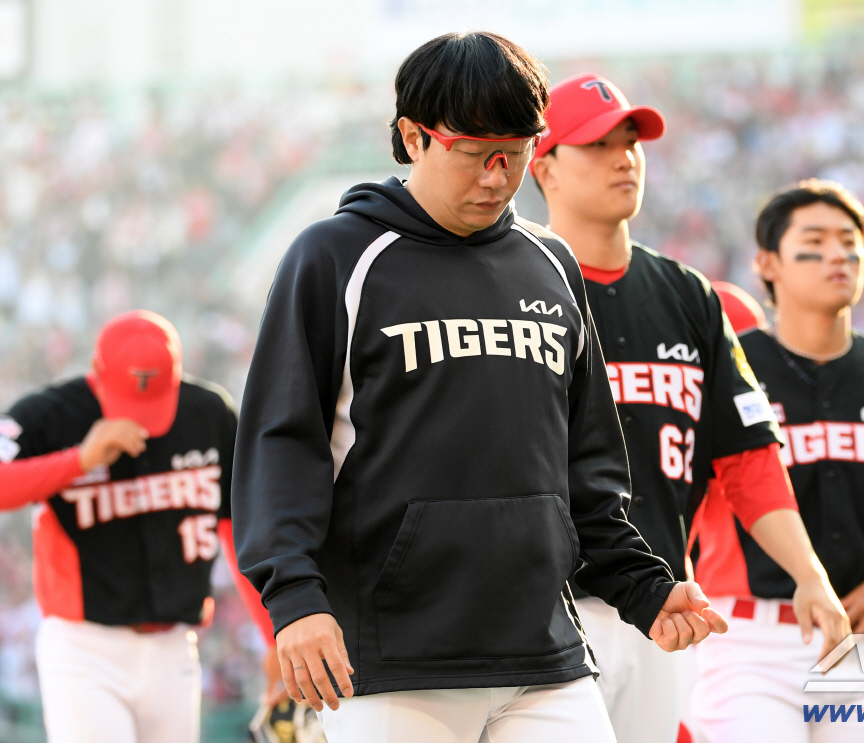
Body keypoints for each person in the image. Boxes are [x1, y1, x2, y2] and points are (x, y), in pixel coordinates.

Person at [231, 32, 727, 743]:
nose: (497, 177)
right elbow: (282, 443)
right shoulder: (335, 256)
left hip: (546, 653)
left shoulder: (552, 264)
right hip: (391, 661)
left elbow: (586, 470)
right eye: (474, 154)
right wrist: (296, 599)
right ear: (413, 136)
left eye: (516, 152)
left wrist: (645, 587)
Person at [529, 75, 850, 743]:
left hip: (663, 609)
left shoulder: (687, 295)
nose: (625, 157)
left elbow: (748, 457)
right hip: (547, 607)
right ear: (545, 166)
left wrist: (809, 573)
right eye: (597, 144)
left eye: (631, 140)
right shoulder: (511, 285)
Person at [691, 180, 864, 743]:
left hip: (858, 644)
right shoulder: (730, 364)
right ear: (768, 263)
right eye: (815, 242)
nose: (839, 254)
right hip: (750, 638)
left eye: (850, 242)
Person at [0, 310, 243, 743]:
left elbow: (239, 530)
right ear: (97, 372)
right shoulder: (52, 415)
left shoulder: (208, 413)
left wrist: (277, 629)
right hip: (83, 649)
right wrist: (80, 460)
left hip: (174, 647)